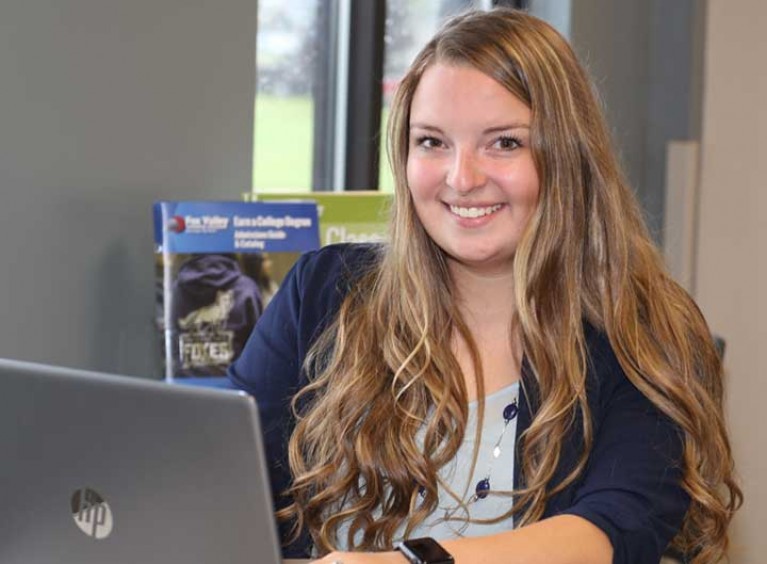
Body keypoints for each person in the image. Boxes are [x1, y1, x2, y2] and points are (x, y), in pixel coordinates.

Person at [228, 8, 741, 564]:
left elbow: (614, 527)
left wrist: (408, 562)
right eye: (432, 142)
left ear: (568, 156)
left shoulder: (642, 328)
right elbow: (222, 471)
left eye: (504, 143)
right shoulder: (323, 292)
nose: (462, 178)